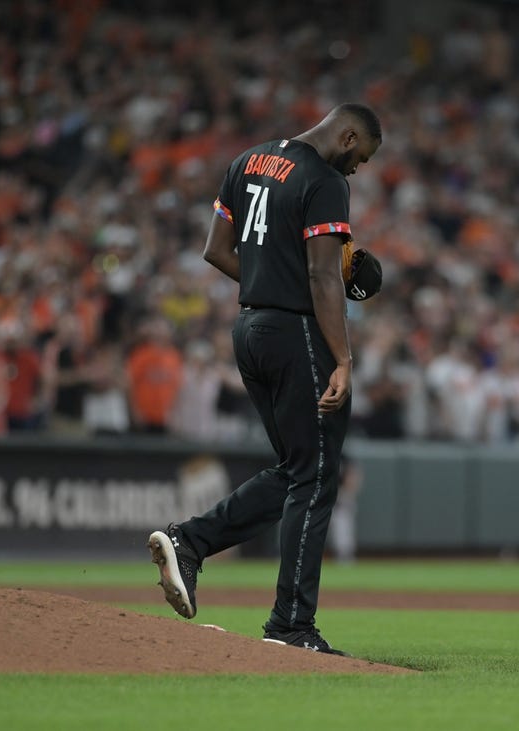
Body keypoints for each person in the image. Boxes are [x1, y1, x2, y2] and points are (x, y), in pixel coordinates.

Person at [147, 103, 383, 656]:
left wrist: (273, 282)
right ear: (347, 135)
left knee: (300, 470)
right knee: (319, 474)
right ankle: (291, 625)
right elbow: (325, 274)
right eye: (361, 156)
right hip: (296, 334)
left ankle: (190, 541)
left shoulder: (247, 160)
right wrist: (344, 360)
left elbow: (216, 250)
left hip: (250, 329)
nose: (357, 169)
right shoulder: (324, 179)